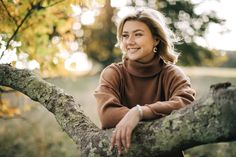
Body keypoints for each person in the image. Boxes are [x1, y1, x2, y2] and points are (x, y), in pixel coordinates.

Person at [94, 7, 196, 156]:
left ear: (156, 39)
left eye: (138, 34)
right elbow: (107, 115)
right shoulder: (113, 73)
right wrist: (149, 115)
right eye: (125, 35)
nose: (130, 42)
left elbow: (187, 105)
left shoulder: (172, 74)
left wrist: (140, 112)